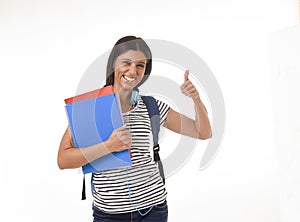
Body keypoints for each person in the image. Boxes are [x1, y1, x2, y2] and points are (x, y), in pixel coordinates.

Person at [57, 35, 212, 222]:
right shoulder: (90, 109)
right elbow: (63, 160)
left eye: (140, 65)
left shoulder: (152, 107)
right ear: (113, 64)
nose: (133, 71)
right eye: (126, 63)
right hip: (110, 215)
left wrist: (196, 98)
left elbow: (203, 132)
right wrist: (109, 146)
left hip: (153, 210)